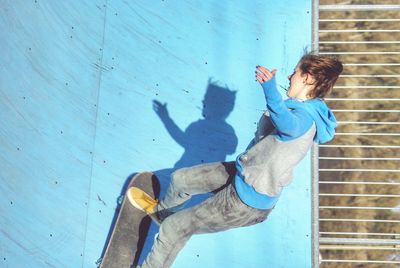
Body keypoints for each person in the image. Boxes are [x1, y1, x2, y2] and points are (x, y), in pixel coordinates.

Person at [128, 53, 343, 268]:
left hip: (246, 203)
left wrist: (269, 88)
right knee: (181, 179)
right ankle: (161, 213)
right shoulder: (303, 107)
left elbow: (287, 125)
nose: (289, 76)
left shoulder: (305, 118)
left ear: (308, 79)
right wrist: (167, 118)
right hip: (241, 173)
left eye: (295, 73)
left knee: (174, 228)